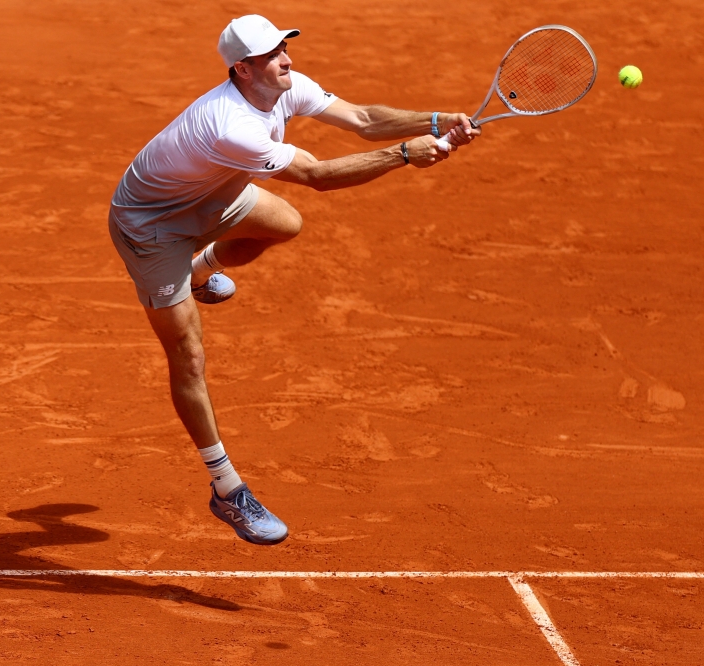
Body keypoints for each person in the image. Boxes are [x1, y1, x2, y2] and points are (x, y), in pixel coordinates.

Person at [109, 14, 478, 546]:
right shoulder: (229, 126)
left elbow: (365, 119)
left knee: (285, 223)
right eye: (272, 54)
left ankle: (197, 271)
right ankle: (226, 487)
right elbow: (319, 176)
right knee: (187, 354)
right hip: (152, 225)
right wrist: (403, 156)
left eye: (285, 46)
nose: (286, 59)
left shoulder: (286, 86)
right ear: (241, 69)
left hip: (211, 196)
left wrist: (438, 120)